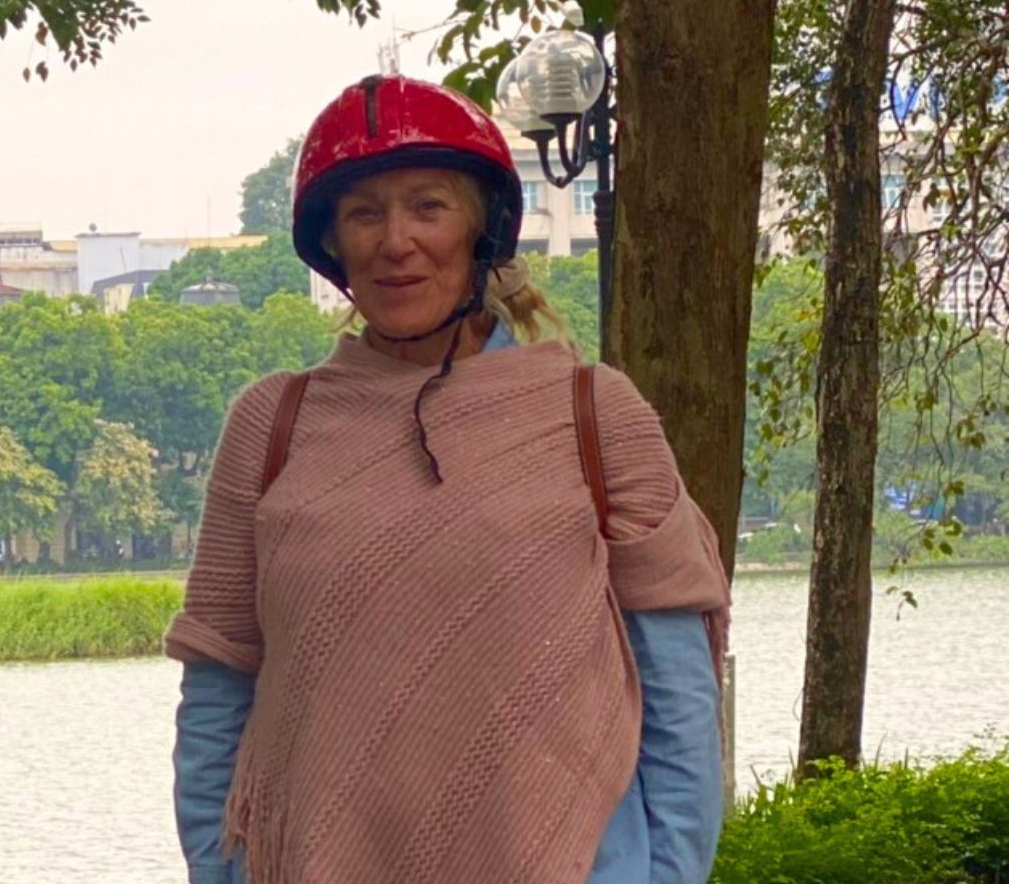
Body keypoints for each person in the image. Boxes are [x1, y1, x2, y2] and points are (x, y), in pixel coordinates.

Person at [168, 75, 731, 884]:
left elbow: (678, 694)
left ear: (482, 228)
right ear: (333, 243)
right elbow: (219, 694)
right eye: (364, 213)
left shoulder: (594, 414)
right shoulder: (272, 427)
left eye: (428, 206)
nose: (395, 240)